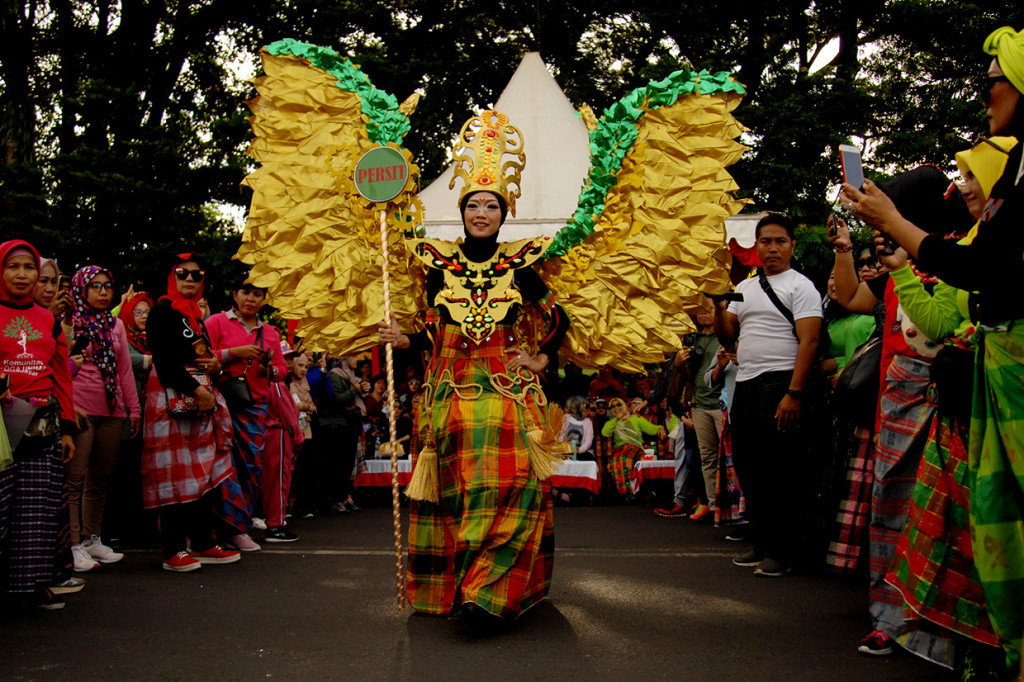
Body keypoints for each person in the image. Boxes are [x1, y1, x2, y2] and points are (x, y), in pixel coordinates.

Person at [844, 25, 1024, 674]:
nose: (968, 189)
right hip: (954, 413)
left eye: (978, 177)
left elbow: (946, 314)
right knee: (959, 531)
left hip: (974, 407)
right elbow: (930, 311)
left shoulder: (978, 248)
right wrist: (889, 257)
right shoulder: (958, 253)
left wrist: (896, 239)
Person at [377, 110, 570, 626]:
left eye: (490, 205)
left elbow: (555, 316)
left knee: (511, 484)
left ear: (503, 215)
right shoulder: (435, 261)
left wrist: (540, 356)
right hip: (448, 392)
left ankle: (488, 593)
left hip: (505, 391)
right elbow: (428, 331)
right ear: (461, 211)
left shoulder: (520, 261)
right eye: (473, 204)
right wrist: (404, 339)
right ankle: (451, 588)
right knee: (455, 490)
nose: (481, 212)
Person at [712, 213, 822, 578]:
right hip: (746, 384)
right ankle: (762, 542)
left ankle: (785, 550)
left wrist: (794, 392)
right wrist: (718, 306)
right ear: (756, 246)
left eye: (780, 241)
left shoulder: (801, 286)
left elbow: (809, 340)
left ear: (792, 245)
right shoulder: (746, 286)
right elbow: (728, 337)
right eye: (765, 242)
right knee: (749, 466)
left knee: (783, 470)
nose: (772, 248)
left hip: (781, 385)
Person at [141, 253, 241, 572]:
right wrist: (197, 389)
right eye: (182, 273)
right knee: (173, 471)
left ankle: (201, 542)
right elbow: (164, 359)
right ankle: (173, 549)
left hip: (196, 395)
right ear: (172, 276)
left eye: (196, 276)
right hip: (173, 394)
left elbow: (199, 355)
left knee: (201, 469)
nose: (189, 279)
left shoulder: (193, 315)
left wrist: (213, 365)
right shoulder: (162, 310)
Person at [0, 240, 77, 609]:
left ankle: (29, 585)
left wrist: (67, 427)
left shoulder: (48, 319)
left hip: (40, 424)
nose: (22, 275)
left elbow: (61, 373)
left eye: (28, 267)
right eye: (13, 266)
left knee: (35, 509)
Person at [65, 265, 141, 569]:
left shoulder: (115, 325)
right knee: (75, 479)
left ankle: (92, 539)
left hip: (112, 410)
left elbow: (124, 369)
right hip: (80, 407)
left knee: (99, 479)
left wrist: (132, 409)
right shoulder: (69, 321)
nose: (103, 292)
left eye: (107, 286)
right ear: (81, 289)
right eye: (95, 286)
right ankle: (72, 545)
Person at [205, 280, 288, 548]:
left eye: (257, 294)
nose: (251, 299)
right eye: (246, 293)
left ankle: (239, 527)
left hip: (255, 404)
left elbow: (281, 369)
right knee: (220, 466)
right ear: (235, 295)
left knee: (250, 466)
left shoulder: (270, 332)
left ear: (264, 299)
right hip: (220, 402)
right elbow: (202, 355)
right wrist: (234, 353)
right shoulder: (217, 322)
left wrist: (270, 370)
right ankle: (217, 529)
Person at [600, 397, 664, 500]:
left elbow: (651, 428)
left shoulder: (635, 418)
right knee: (618, 462)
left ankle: (643, 492)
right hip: (620, 449)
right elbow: (605, 433)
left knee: (643, 461)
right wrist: (617, 419)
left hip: (637, 448)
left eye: (619, 405)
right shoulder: (611, 422)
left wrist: (660, 428)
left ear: (624, 406)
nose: (616, 408)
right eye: (613, 406)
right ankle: (628, 494)